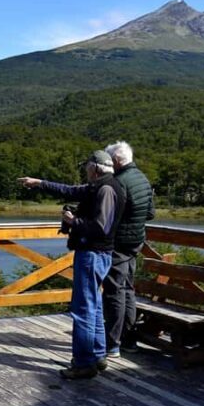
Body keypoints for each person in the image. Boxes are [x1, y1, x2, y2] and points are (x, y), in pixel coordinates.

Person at [18, 151, 125, 379]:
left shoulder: (106, 189)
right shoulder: (102, 185)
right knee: (94, 306)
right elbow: (69, 190)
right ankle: (98, 355)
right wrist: (39, 183)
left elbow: (101, 228)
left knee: (83, 309)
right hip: (98, 254)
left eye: (87, 166)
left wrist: (72, 221)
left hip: (93, 254)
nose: (85, 170)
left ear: (95, 167)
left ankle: (84, 364)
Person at [102, 141, 155, 359]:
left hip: (119, 244)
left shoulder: (118, 182)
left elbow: (108, 216)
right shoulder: (142, 178)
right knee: (128, 289)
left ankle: (112, 344)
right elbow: (150, 213)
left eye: (108, 161)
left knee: (114, 292)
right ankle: (129, 340)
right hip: (136, 243)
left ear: (116, 161)